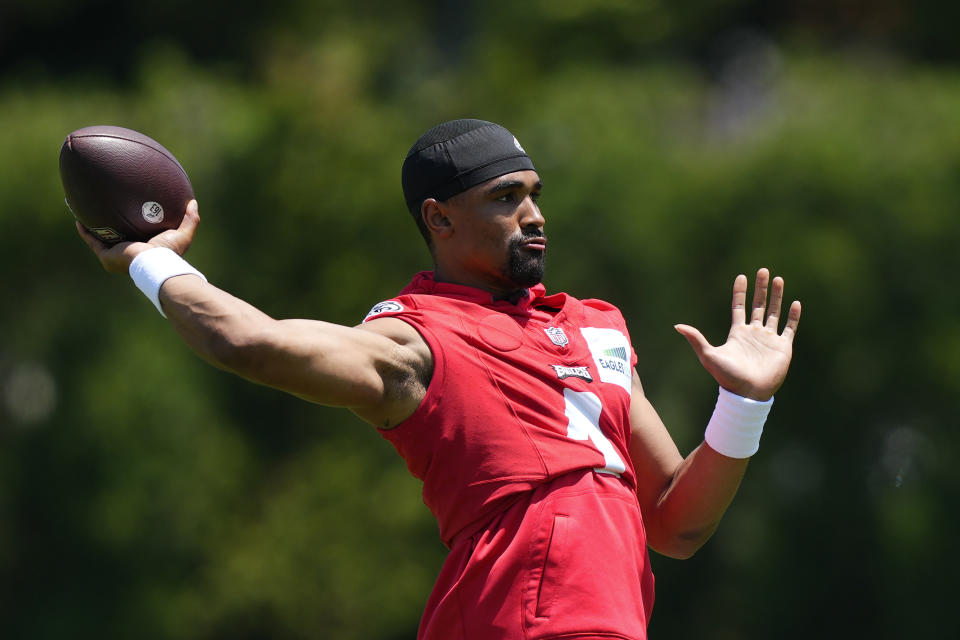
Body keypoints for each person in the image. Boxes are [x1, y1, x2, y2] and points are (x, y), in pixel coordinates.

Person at [78, 118, 801, 640]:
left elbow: (677, 525)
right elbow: (246, 341)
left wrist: (744, 403)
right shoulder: (417, 338)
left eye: (535, 193)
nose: (535, 215)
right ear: (439, 218)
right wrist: (151, 260)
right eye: (504, 197)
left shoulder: (596, 326)